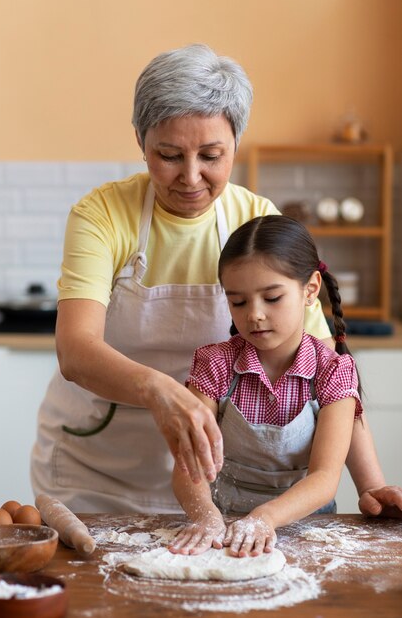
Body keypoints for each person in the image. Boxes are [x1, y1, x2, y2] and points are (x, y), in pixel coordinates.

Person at [30, 43, 402, 516]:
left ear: (236, 145)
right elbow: (75, 349)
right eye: (168, 155)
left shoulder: (254, 220)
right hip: (99, 468)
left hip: (216, 483)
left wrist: (371, 482)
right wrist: (160, 389)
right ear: (140, 142)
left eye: (211, 155)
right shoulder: (102, 214)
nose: (190, 177)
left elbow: (329, 373)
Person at [169, 215, 361, 557]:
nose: (254, 315)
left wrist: (265, 517)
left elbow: (324, 477)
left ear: (310, 290)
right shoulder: (214, 364)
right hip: (221, 530)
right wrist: (206, 516)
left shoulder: (333, 370)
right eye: (238, 302)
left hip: (308, 532)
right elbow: (188, 467)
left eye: (271, 298)